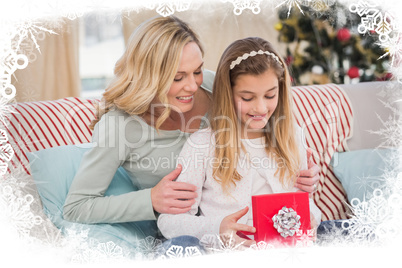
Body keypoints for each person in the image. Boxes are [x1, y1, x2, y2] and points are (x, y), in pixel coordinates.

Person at [63, 16, 320, 243]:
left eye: (196, 71)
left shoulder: (213, 86)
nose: (192, 86)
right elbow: (77, 207)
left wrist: (302, 172)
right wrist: (149, 199)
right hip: (184, 231)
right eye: (178, 77)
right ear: (148, 75)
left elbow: (267, 115)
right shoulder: (118, 126)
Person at [157, 37, 322, 248]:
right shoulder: (202, 145)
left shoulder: (293, 136)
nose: (261, 109)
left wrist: (311, 220)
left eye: (270, 95)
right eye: (247, 98)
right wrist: (218, 228)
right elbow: (169, 222)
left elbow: (306, 205)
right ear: (228, 94)